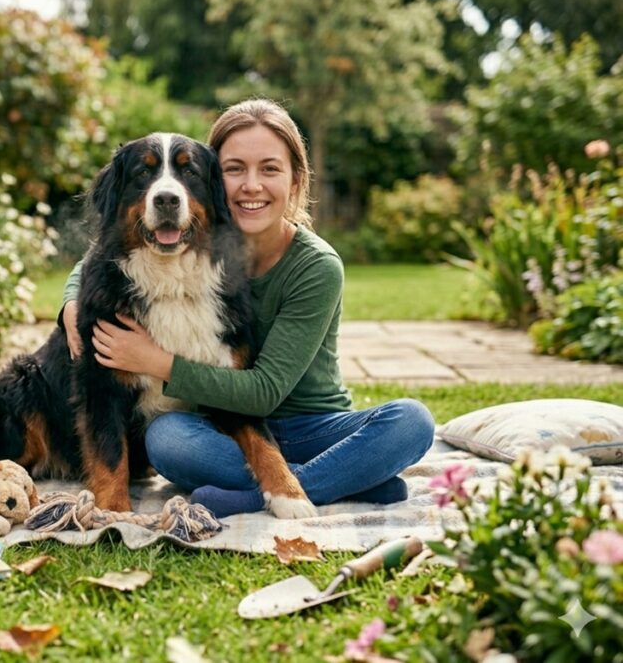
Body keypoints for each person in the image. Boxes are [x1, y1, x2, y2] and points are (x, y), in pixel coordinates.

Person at [58, 98, 434, 517]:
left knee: (413, 421)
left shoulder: (316, 267)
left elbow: (264, 392)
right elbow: (105, 251)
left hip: (311, 425)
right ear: (218, 181)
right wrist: (72, 299)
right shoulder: (200, 248)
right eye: (236, 169)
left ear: (295, 181)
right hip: (220, 426)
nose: (251, 185)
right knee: (166, 439)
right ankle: (354, 479)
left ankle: (266, 493)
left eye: (270, 169)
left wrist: (155, 361)